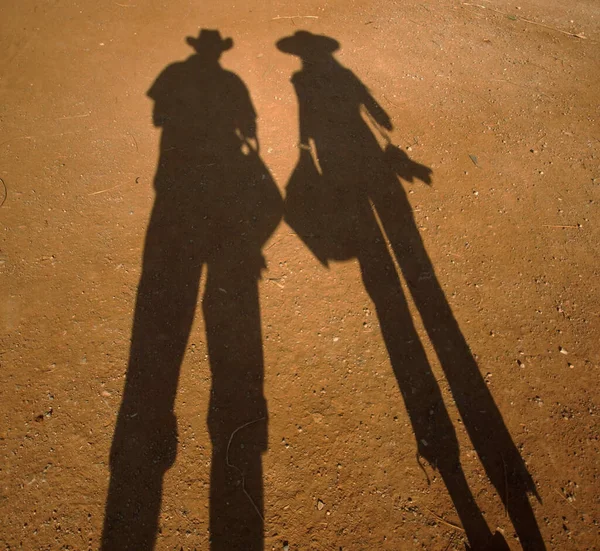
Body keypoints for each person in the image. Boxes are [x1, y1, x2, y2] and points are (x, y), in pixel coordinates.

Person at [278, 30, 544, 550]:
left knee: (388, 286)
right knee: (407, 274)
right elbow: (375, 115)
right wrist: (384, 145)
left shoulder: (308, 79)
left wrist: (315, 154)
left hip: (344, 164)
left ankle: (474, 507)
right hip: (362, 165)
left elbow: (320, 129)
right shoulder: (325, 75)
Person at [102, 29, 282, 551]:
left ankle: (147, 426)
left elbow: (160, 116)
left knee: (165, 303)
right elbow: (248, 132)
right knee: (217, 301)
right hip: (212, 190)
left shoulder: (176, 76)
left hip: (176, 191)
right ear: (218, 49)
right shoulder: (231, 82)